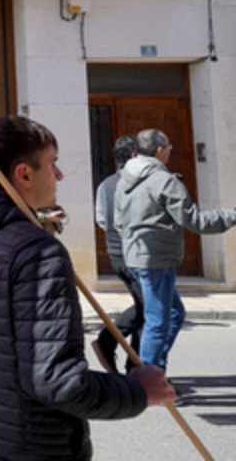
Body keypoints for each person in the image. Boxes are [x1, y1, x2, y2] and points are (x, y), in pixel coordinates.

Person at [0, 115, 175, 460]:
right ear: (24, 174)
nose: (59, 175)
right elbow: (57, 380)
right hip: (35, 447)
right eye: (52, 164)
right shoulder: (38, 252)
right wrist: (137, 391)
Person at [114, 128, 236, 372]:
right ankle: (148, 378)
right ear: (159, 150)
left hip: (135, 257)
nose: (170, 150)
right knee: (158, 322)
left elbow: (117, 221)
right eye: (168, 146)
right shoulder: (165, 181)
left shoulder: (124, 178)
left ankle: (150, 369)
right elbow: (196, 222)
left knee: (174, 314)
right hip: (156, 261)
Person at [92, 134, 142, 373]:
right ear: (135, 157)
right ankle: (131, 363)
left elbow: (102, 219)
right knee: (150, 309)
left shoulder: (105, 184)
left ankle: (110, 344)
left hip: (116, 254)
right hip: (137, 255)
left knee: (146, 307)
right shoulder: (138, 183)